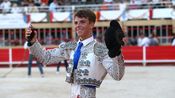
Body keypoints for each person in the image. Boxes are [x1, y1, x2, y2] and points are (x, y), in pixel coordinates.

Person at [25, 9, 125, 98]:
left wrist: (117, 53)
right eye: (76, 22)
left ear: (92, 24)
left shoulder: (100, 49)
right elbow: (45, 58)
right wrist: (33, 42)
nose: (78, 25)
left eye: (82, 22)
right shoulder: (71, 47)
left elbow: (117, 75)